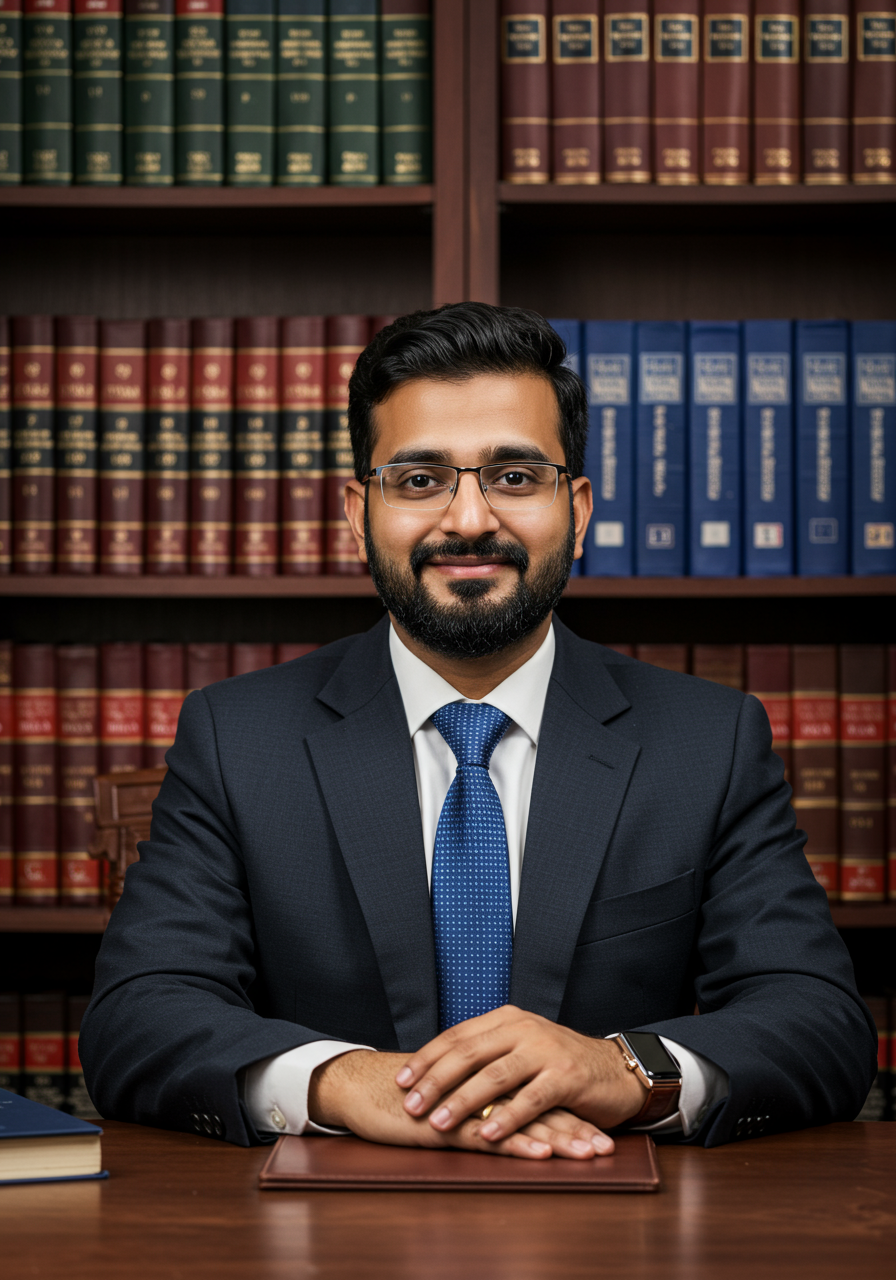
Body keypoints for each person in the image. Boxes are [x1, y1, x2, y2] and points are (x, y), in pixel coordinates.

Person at [80, 303, 876, 1157]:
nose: (467, 521)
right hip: (324, 1226)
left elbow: (817, 1018)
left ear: (577, 509)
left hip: (613, 1220)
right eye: (420, 480)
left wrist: (625, 1070)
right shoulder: (237, 739)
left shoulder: (708, 741)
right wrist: (339, 1081)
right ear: (359, 513)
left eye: (514, 477)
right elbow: (138, 1015)